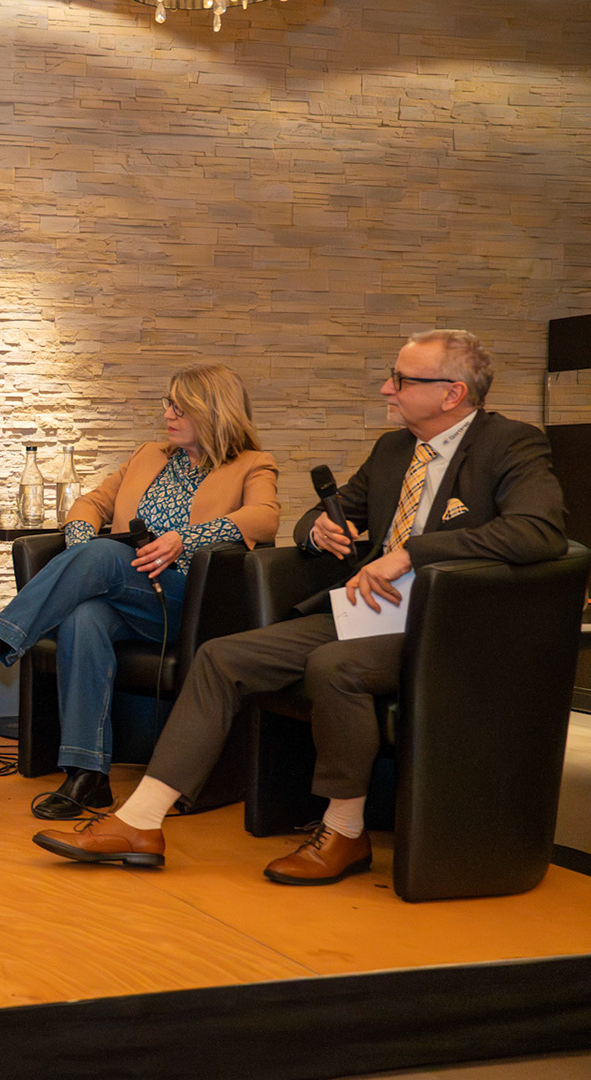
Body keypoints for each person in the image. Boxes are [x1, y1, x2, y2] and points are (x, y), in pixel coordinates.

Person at [34, 331, 566, 884]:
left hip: (446, 622)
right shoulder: (393, 450)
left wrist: (410, 554)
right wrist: (322, 531)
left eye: (402, 379)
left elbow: (539, 533)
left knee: (334, 667)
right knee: (220, 658)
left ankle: (344, 833)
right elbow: (310, 520)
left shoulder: (512, 445)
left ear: (452, 394)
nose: (387, 387)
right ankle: (140, 820)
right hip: (369, 610)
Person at [0, 364, 280, 818]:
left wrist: (183, 539)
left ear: (212, 410)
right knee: (82, 615)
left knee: (107, 556)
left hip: (187, 601)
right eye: (166, 403)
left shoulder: (251, 464)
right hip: (126, 592)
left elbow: (265, 518)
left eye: (178, 405)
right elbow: (90, 503)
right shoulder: (151, 455)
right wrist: (79, 549)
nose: (167, 413)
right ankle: (87, 775)